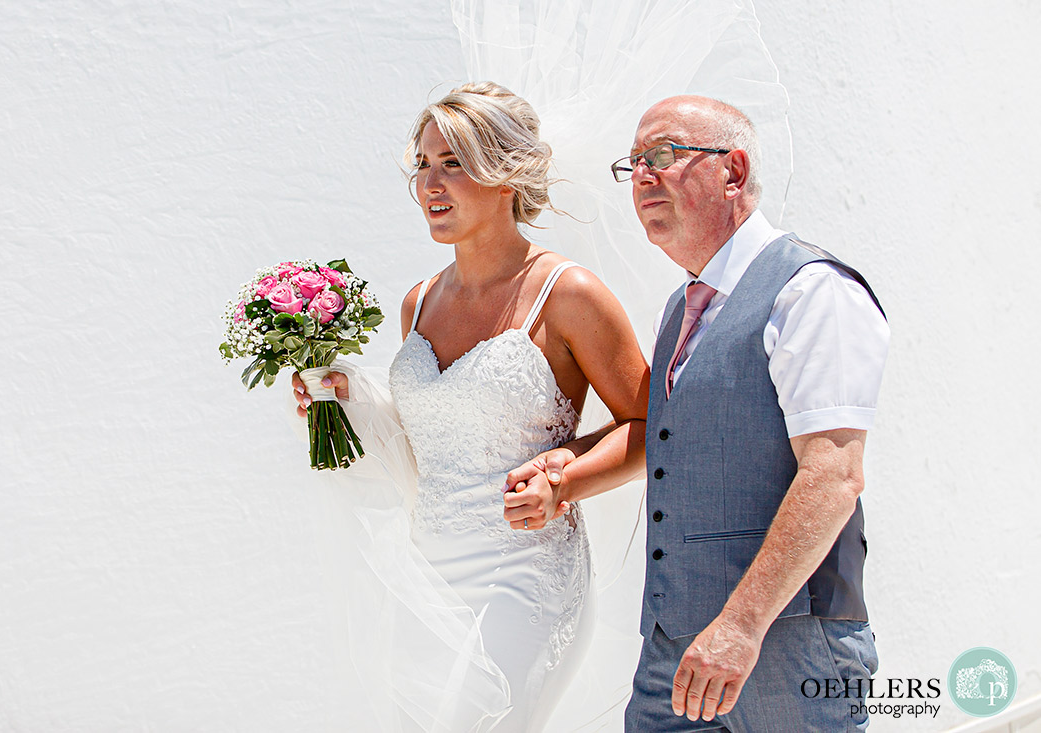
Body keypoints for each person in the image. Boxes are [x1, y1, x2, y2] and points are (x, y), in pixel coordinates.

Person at [505, 94, 890, 731]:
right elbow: (670, 437)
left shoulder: (811, 290)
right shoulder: (681, 308)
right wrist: (565, 471)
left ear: (732, 172)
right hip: (672, 645)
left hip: (782, 644)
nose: (643, 177)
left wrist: (741, 627)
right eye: (633, 165)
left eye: (663, 155)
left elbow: (833, 477)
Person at [292, 81, 649, 732]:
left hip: (525, 572)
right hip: (427, 576)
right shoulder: (419, 302)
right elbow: (432, 437)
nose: (431, 183)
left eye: (453, 163)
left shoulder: (568, 294)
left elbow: (656, 427)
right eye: (424, 164)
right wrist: (346, 404)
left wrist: (563, 479)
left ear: (507, 173)